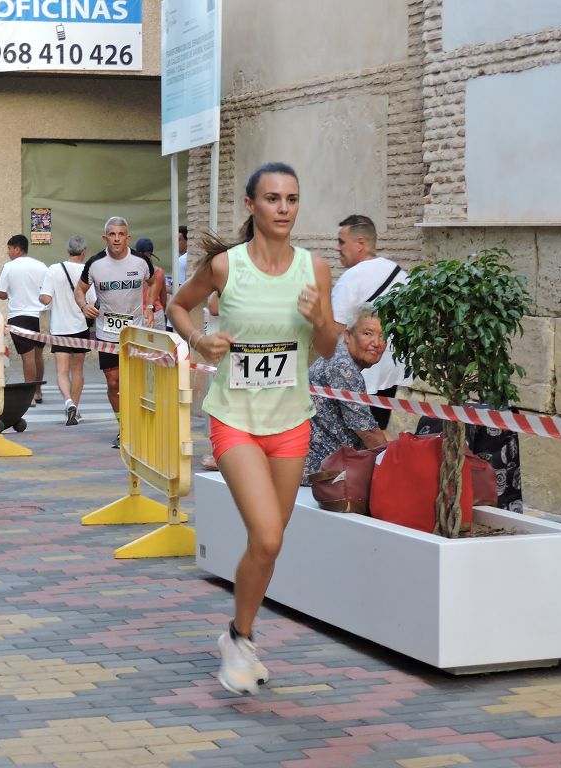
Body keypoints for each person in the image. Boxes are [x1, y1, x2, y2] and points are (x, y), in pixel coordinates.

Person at [168, 162, 337, 695]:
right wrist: (199, 341)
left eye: (291, 199)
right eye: (272, 199)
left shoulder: (315, 269)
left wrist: (320, 322)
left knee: (269, 545)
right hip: (235, 418)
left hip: (291, 422)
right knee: (264, 534)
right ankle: (239, 643)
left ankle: (239, 635)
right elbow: (178, 306)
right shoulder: (225, 267)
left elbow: (331, 349)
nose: (283, 209)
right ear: (251, 206)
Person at [75, 216, 156, 449]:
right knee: (113, 382)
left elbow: (155, 280)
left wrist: (150, 307)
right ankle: (124, 428)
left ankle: (140, 425)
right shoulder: (95, 263)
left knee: (136, 382)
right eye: (112, 234)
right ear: (105, 237)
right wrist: (84, 306)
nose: (117, 238)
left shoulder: (140, 261)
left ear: (128, 237)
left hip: (136, 332)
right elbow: (80, 290)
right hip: (107, 332)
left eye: (121, 234)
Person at [330, 214, 410, 429]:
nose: (337, 248)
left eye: (341, 242)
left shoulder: (353, 277)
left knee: (349, 443)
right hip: (390, 374)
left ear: (360, 244)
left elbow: (333, 330)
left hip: (358, 375)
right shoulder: (400, 274)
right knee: (375, 434)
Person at [304, 303, 390, 481]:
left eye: (382, 336)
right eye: (368, 333)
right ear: (348, 336)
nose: (376, 343)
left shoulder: (339, 359)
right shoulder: (343, 367)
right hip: (319, 472)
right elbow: (368, 433)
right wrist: (394, 468)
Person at [39, 234, 95, 426]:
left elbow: (45, 298)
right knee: (77, 369)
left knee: (62, 371)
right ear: (84, 252)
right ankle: (76, 409)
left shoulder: (54, 270)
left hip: (59, 328)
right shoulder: (88, 270)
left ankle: (68, 402)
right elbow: (93, 302)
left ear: (68, 250)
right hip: (80, 327)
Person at [0, 234, 48, 404]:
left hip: (19, 315)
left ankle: (29, 395)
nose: (8, 253)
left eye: (10, 249)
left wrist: (11, 293)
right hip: (40, 314)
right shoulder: (42, 266)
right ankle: (38, 391)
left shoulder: (9, 267)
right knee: (38, 355)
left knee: (27, 357)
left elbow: (0, 292)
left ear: (17, 249)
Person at [134, 238, 167, 331]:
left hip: (139, 315)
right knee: (159, 345)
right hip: (157, 314)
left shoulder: (134, 273)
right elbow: (163, 299)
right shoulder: (159, 272)